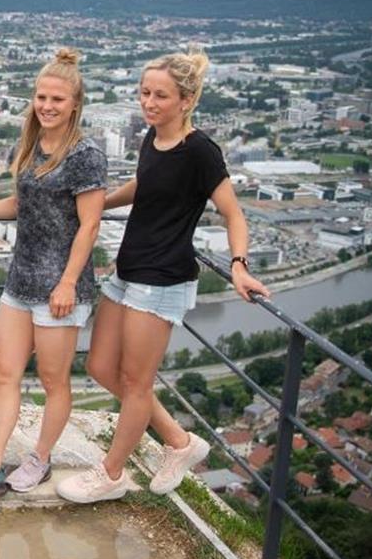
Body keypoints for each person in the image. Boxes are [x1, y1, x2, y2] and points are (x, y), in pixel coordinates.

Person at [56, 46, 270, 503]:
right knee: (98, 365)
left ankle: (110, 474)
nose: (149, 103)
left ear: (186, 101)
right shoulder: (151, 139)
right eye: (145, 93)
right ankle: (179, 441)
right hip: (128, 271)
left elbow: (233, 213)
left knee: (137, 383)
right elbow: (143, 186)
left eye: (161, 96)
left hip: (164, 280)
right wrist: (94, 202)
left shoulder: (201, 152)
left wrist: (238, 266)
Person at [0, 48, 107, 496]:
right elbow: (21, 205)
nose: (47, 106)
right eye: (40, 97)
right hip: (20, 280)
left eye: (57, 99)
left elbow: (90, 223)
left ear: (75, 104)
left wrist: (68, 282)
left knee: (53, 381)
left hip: (60, 287)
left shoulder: (86, 154)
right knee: (3, 373)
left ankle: (40, 459)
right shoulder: (28, 146)